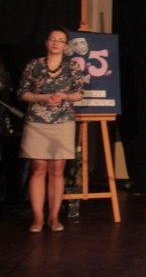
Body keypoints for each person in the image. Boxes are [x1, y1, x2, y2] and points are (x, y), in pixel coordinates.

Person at [17, 28, 84, 232]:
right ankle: (38, 218)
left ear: (66, 45)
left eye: (60, 40)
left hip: (63, 121)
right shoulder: (34, 65)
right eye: (52, 39)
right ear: (47, 42)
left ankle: (53, 218)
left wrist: (64, 97)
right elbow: (22, 92)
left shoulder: (72, 66)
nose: (56, 43)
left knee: (57, 170)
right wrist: (42, 98)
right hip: (37, 121)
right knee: (38, 169)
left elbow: (79, 93)